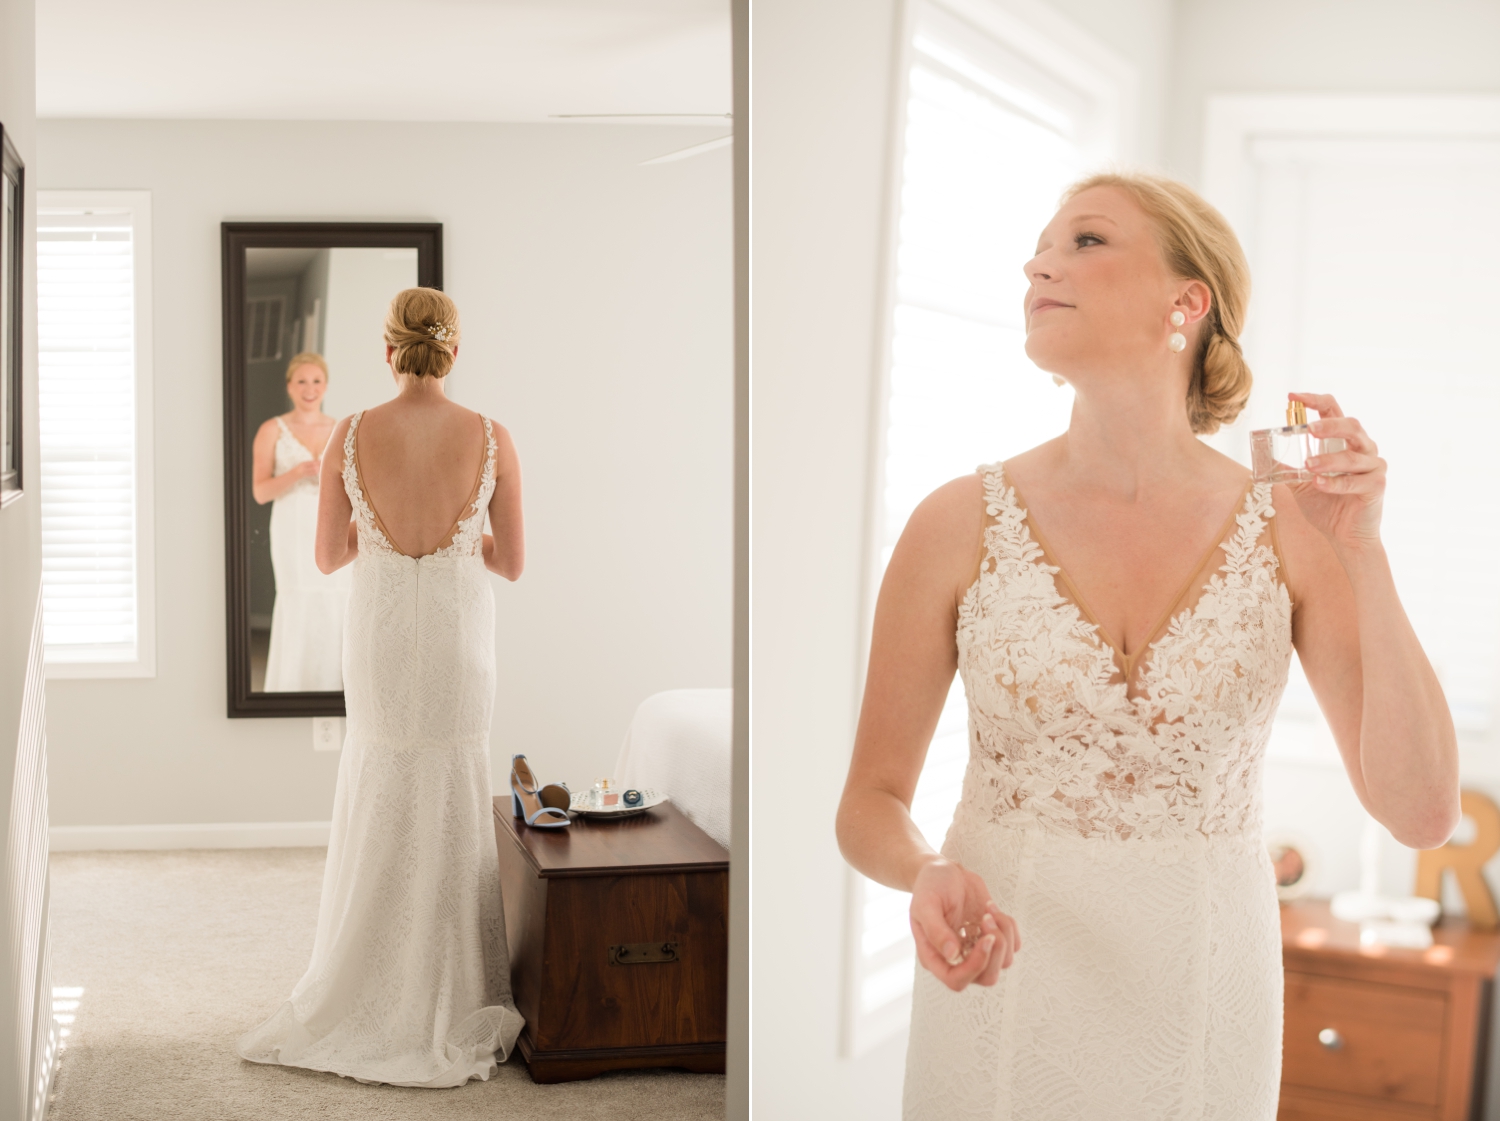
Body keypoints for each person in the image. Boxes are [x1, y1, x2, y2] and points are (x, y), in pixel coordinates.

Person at [835, 171, 1459, 1120]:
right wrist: (925, 868)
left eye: (1085, 240)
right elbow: (868, 801)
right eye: (1040, 245)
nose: (1039, 261)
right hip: (998, 991)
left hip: (1204, 993)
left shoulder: (1293, 528)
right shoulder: (956, 522)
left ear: (1187, 300)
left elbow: (1420, 812)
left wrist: (1363, 553)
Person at [237, 287, 526, 1087]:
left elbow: (328, 557)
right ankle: (455, 980)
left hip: (384, 638)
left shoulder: (351, 434)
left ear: (390, 351)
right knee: (454, 782)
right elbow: (511, 562)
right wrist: (463, 532)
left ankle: (365, 978)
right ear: (454, 350)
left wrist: (384, 523)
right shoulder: (493, 435)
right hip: (463, 640)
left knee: (383, 779)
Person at [251, 352, 349, 692]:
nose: (310, 389)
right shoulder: (272, 430)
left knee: (337, 596)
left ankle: (335, 686)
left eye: (317, 381)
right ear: (290, 387)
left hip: (332, 523)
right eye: (302, 381)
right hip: (292, 526)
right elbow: (261, 492)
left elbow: (355, 487)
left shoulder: (341, 428)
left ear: (326, 386)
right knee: (299, 597)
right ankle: (291, 686)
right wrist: (297, 472)